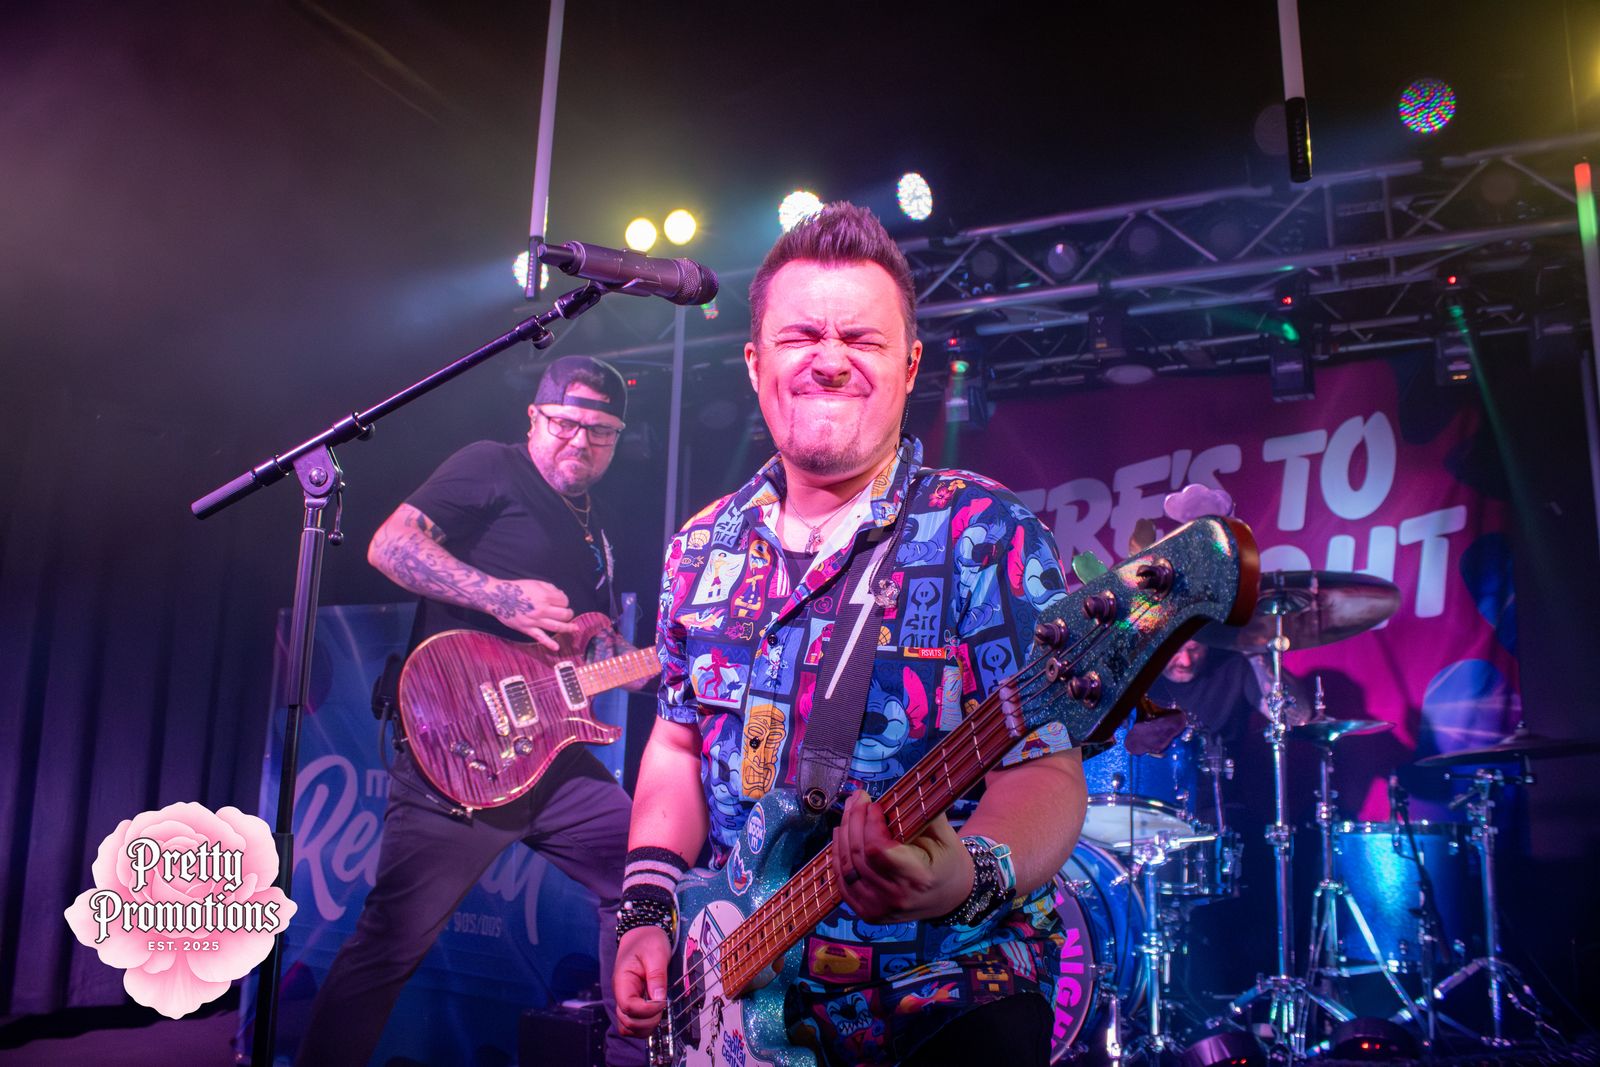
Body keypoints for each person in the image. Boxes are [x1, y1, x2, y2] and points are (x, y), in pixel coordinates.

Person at [614, 203, 1088, 1066]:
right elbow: (675, 745)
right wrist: (647, 911)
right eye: (800, 336)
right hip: (728, 997)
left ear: (910, 366)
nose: (829, 359)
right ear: (756, 364)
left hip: (942, 1000)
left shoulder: (985, 533)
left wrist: (962, 874)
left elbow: (1046, 770)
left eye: (861, 339)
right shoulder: (700, 546)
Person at [297, 356, 648, 1067]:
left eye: (601, 431)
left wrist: (644, 660)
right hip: (458, 753)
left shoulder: (598, 528)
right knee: (387, 946)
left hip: (550, 760)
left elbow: (585, 643)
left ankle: (629, 1055)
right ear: (534, 418)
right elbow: (390, 544)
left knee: (643, 877)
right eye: (567, 423)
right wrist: (502, 597)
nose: (581, 441)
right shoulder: (491, 466)